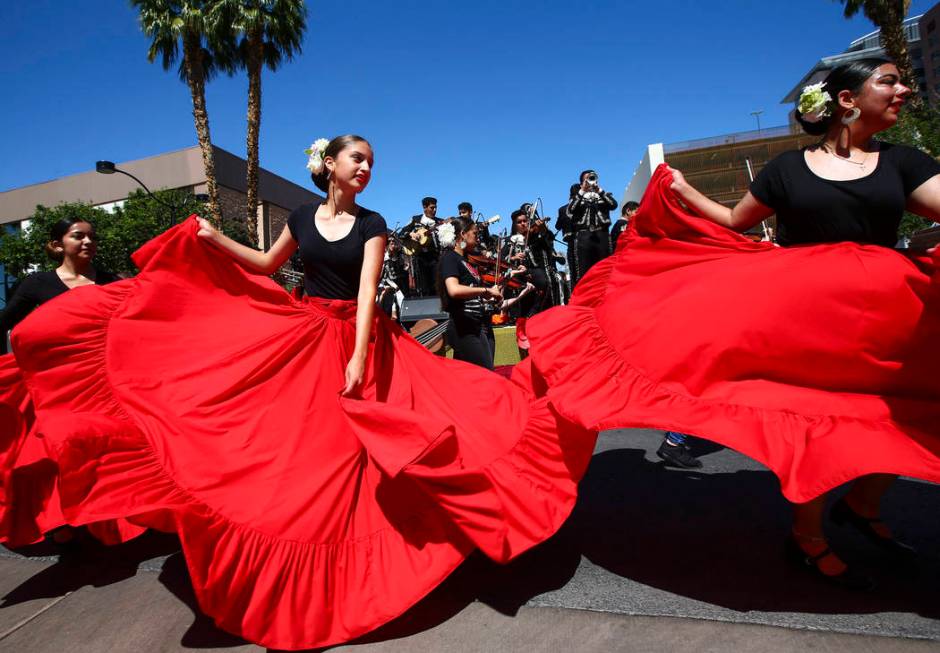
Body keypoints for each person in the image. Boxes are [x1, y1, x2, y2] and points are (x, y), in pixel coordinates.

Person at [5, 134, 595, 650]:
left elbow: (367, 291)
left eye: (370, 162)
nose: (365, 168)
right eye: (357, 159)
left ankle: (396, 548)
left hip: (361, 339)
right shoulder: (302, 217)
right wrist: (211, 238)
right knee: (306, 452)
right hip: (307, 336)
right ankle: (310, 560)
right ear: (331, 165)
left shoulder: (373, 224)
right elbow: (264, 267)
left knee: (410, 437)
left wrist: (362, 352)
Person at [523, 59, 940, 591]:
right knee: (816, 418)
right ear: (846, 99)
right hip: (808, 317)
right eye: (888, 80)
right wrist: (680, 189)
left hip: (888, 315)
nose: (903, 89)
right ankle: (808, 534)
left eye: (903, 80)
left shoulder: (905, 162)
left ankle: (862, 504)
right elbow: (733, 222)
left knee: (911, 410)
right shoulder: (787, 169)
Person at [0, 217, 140, 549]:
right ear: (58, 244)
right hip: (54, 384)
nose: (88, 242)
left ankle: (107, 516)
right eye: (78, 236)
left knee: (106, 448)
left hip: (102, 381)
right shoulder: (37, 284)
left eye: (92, 237)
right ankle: (62, 517)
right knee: (58, 449)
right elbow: (5, 324)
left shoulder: (109, 282)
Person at [437, 216, 502, 369]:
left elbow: (473, 291)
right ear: (462, 235)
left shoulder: (467, 261)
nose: (478, 238)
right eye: (475, 233)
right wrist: (485, 290)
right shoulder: (450, 258)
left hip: (477, 323)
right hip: (463, 325)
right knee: (485, 374)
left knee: (474, 377)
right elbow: (453, 290)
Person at [563, 170, 618, 287]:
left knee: (605, 268)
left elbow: (613, 205)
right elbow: (570, 210)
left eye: (592, 177)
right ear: (582, 182)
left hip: (602, 235)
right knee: (583, 271)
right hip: (584, 237)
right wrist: (582, 190)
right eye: (587, 178)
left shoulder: (603, 194)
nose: (590, 180)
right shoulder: (577, 196)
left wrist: (600, 191)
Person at [398, 196, 441, 296]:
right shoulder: (415, 220)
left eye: (435, 207)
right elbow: (401, 233)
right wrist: (410, 234)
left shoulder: (439, 222)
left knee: (436, 285)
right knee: (423, 286)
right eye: (432, 207)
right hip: (420, 258)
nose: (434, 210)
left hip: (435, 257)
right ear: (424, 207)